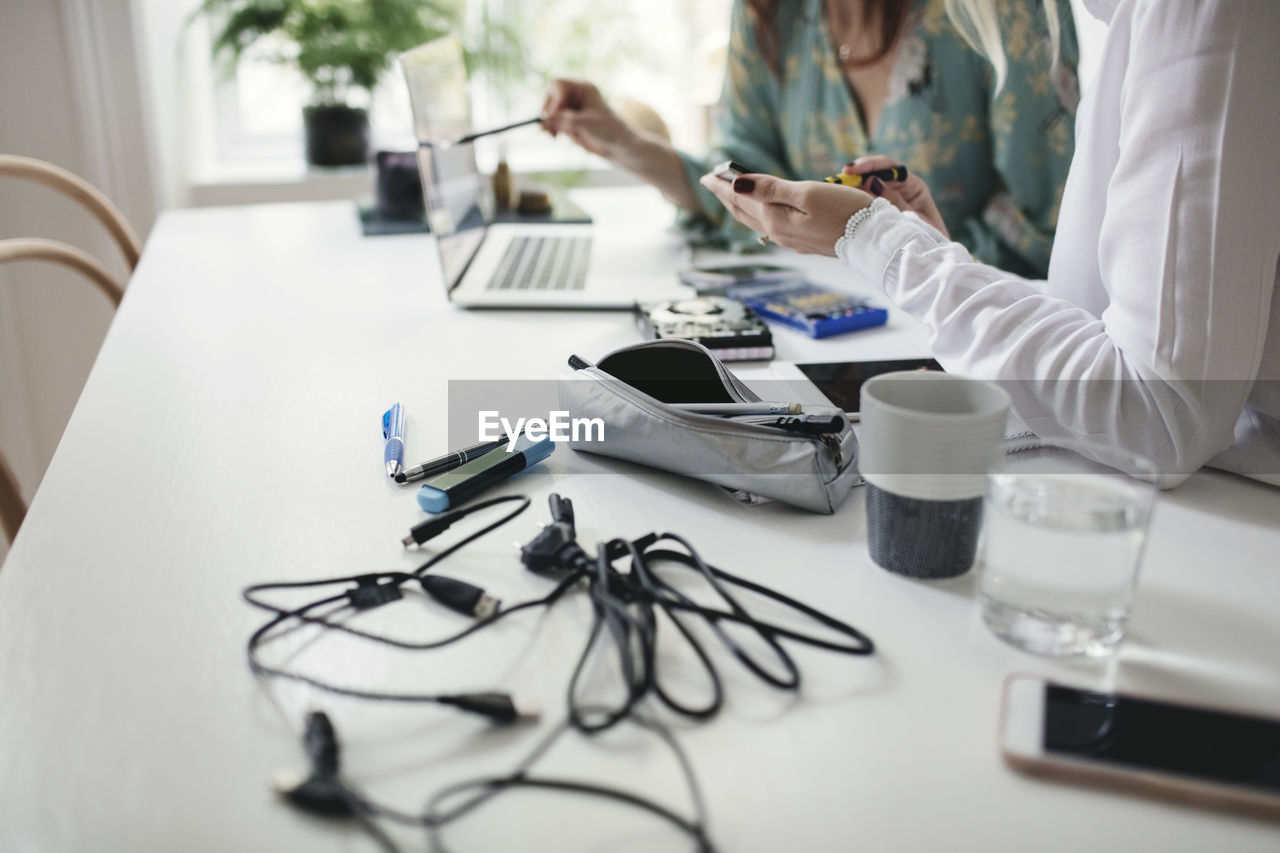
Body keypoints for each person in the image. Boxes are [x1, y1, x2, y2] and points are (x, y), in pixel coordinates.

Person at [698, 0, 1280, 487]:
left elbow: (1160, 416)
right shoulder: (1127, 20)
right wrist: (944, 256)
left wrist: (874, 236)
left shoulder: (1200, 13)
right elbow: (1110, 322)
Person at [540, 0, 1078, 277]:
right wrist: (619, 141)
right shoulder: (770, 14)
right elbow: (743, 185)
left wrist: (885, 257)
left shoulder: (995, 14)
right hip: (820, 343)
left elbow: (1047, 236)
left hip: (962, 340)